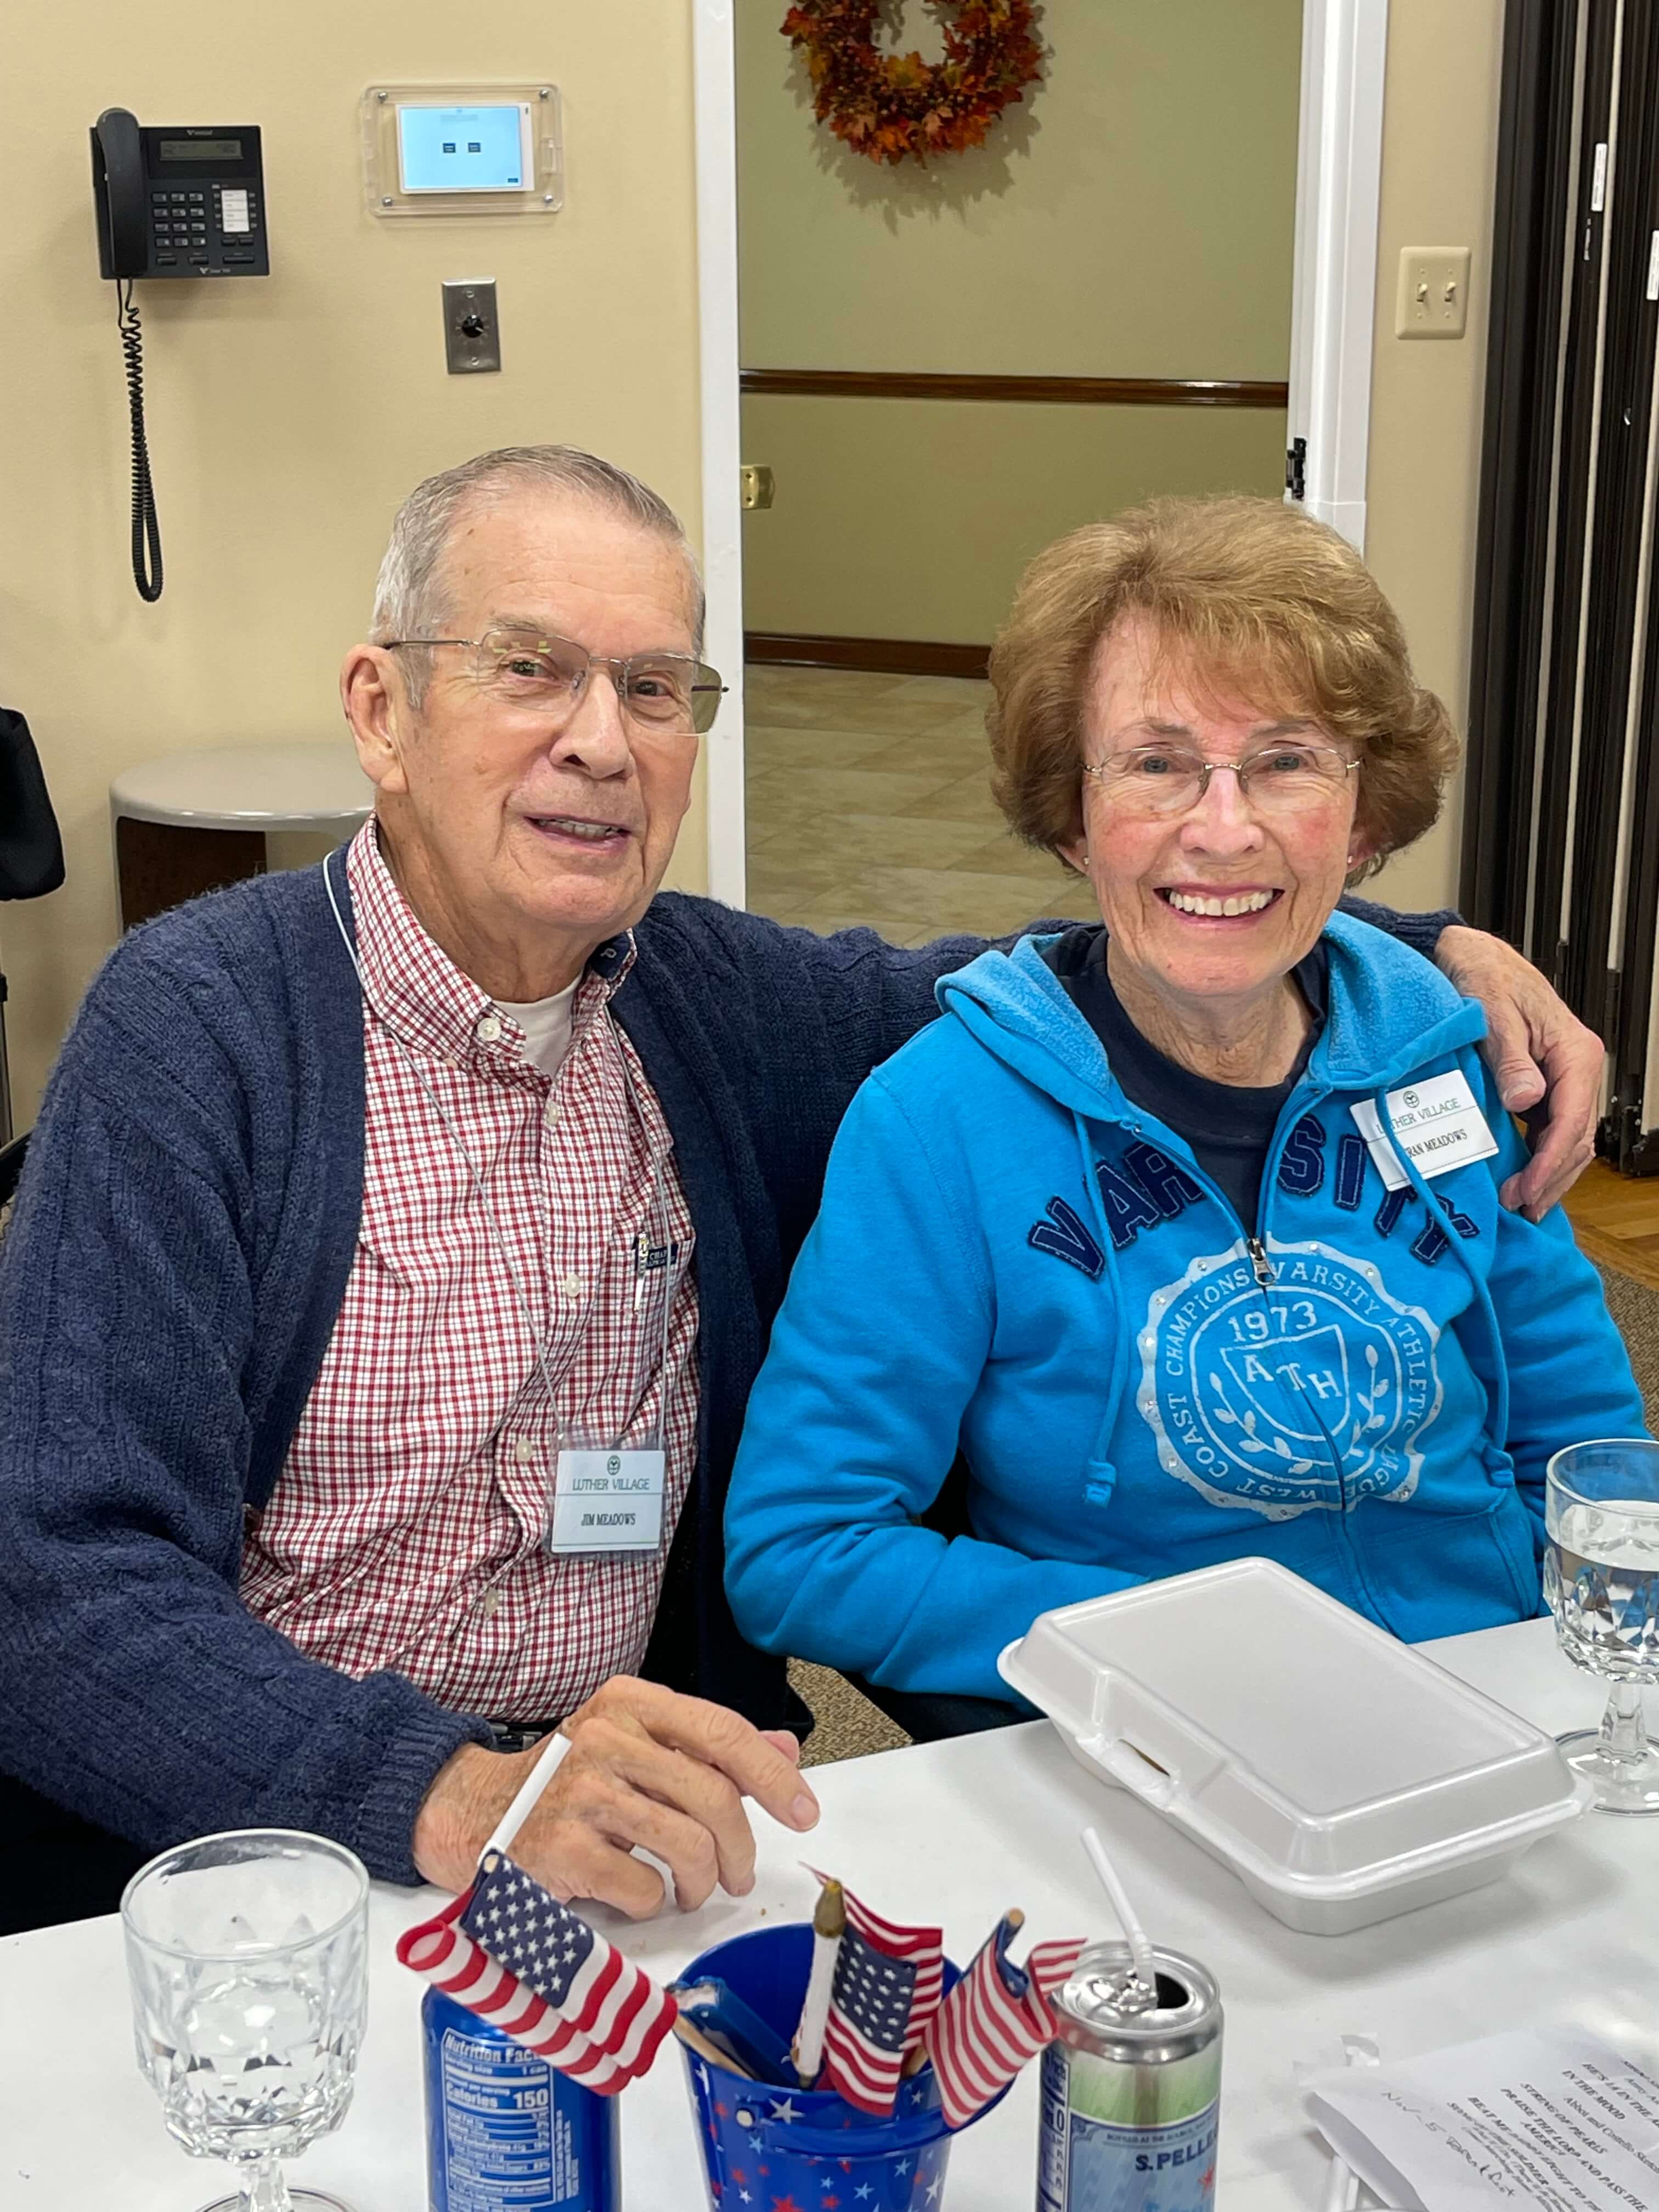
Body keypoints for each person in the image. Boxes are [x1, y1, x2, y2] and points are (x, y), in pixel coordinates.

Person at [0, 453, 1606, 1934]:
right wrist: (459, 1793)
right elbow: (51, 1586)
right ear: (381, 709)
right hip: (252, 1843)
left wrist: (1433, 958)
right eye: (530, 669)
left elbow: (1139, 965)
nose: (600, 740)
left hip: (650, 1823)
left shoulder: (719, 1004)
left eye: (651, 687)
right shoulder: (201, 1031)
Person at [724, 495, 1646, 1711]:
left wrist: (1542, 1678)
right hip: (1151, 1746)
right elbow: (804, 1551)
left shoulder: (1448, 1063)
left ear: (1362, 817)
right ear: (1075, 814)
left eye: (1285, 762)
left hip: (1492, 1697)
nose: (1223, 829)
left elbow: (1589, 1455)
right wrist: (1162, 1653)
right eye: (1156, 764)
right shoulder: (937, 1121)